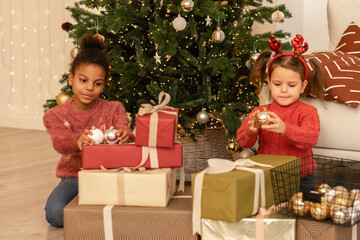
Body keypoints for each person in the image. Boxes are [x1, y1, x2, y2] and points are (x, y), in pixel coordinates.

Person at [43, 33, 135, 227]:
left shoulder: (114, 108)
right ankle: (94, 214)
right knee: (56, 213)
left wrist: (126, 136)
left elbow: (125, 130)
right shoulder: (55, 115)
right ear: (71, 79)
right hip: (75, 177)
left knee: (132, 209)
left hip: (109, 176)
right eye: (83, 80)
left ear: (103, 85)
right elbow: (60, 142)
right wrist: (77, 141)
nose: (89, 88)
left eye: (97, 83)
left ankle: (97, 214)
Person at [236, 35, 324, 191]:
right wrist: (251, 131)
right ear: (269, 83)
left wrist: (285, 129)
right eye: (277, 84)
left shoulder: (308, 111)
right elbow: (243, 143)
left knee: (296, 210)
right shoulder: (260, 111)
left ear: (302, 86)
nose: (284, 90)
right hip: (268, 174)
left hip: (299, 178)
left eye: (291, 85)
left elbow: (311, 138)